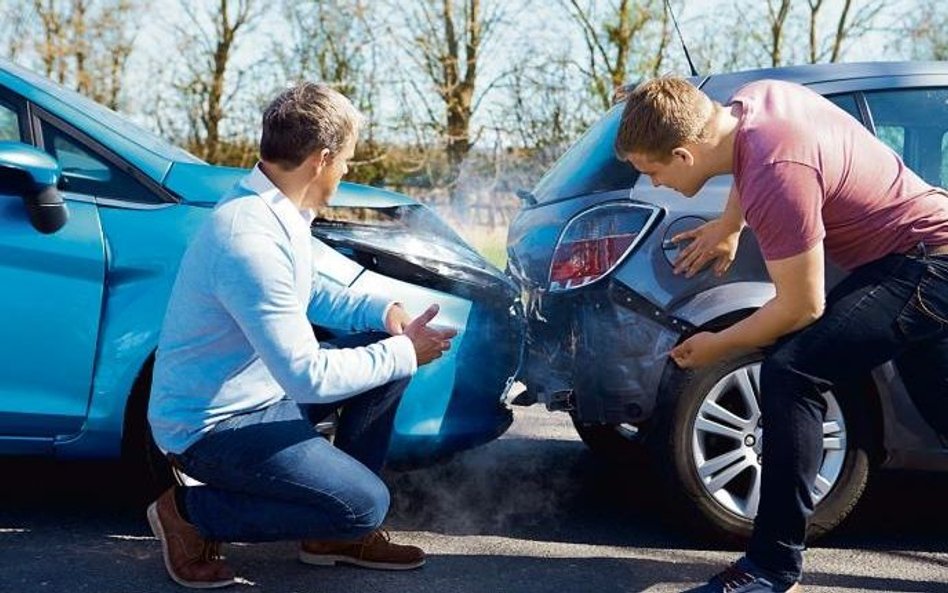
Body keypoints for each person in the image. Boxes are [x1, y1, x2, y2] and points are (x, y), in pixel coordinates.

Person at [614, 76, 948, 592]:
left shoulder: (775, 168)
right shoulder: (756, 101)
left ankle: (771, 567)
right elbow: (752, 156)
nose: (655, 183)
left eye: (651, 171)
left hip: (923, 263)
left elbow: (800, 306)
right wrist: (730, 223)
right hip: (922, 253)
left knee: (793, 370)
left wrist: (717, 346)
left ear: (682, 154)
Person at [146, 82, 456, 589]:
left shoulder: (273, 209)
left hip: (263, 395)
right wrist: (404, 352)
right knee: (365, 504)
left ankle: (330, 533)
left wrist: (387, 313)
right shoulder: (248, 237)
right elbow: (308, 376)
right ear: (322, 158)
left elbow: (313, 292)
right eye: (348, 161)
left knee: (381, 362)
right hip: (213, 427)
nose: (348, 171)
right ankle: (190, 512)